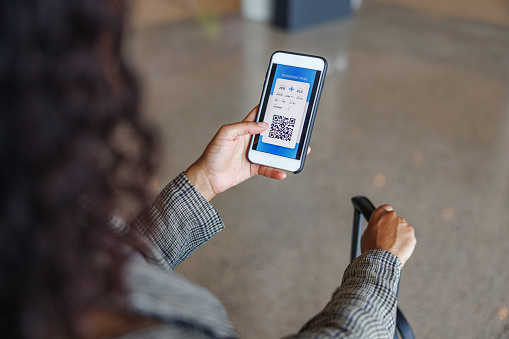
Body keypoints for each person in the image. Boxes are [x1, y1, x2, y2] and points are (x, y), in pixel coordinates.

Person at [0, 0, 416, 338]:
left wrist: (203, 182)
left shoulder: (28, 223)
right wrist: (378, 268)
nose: (112, 83)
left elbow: (115, 270)